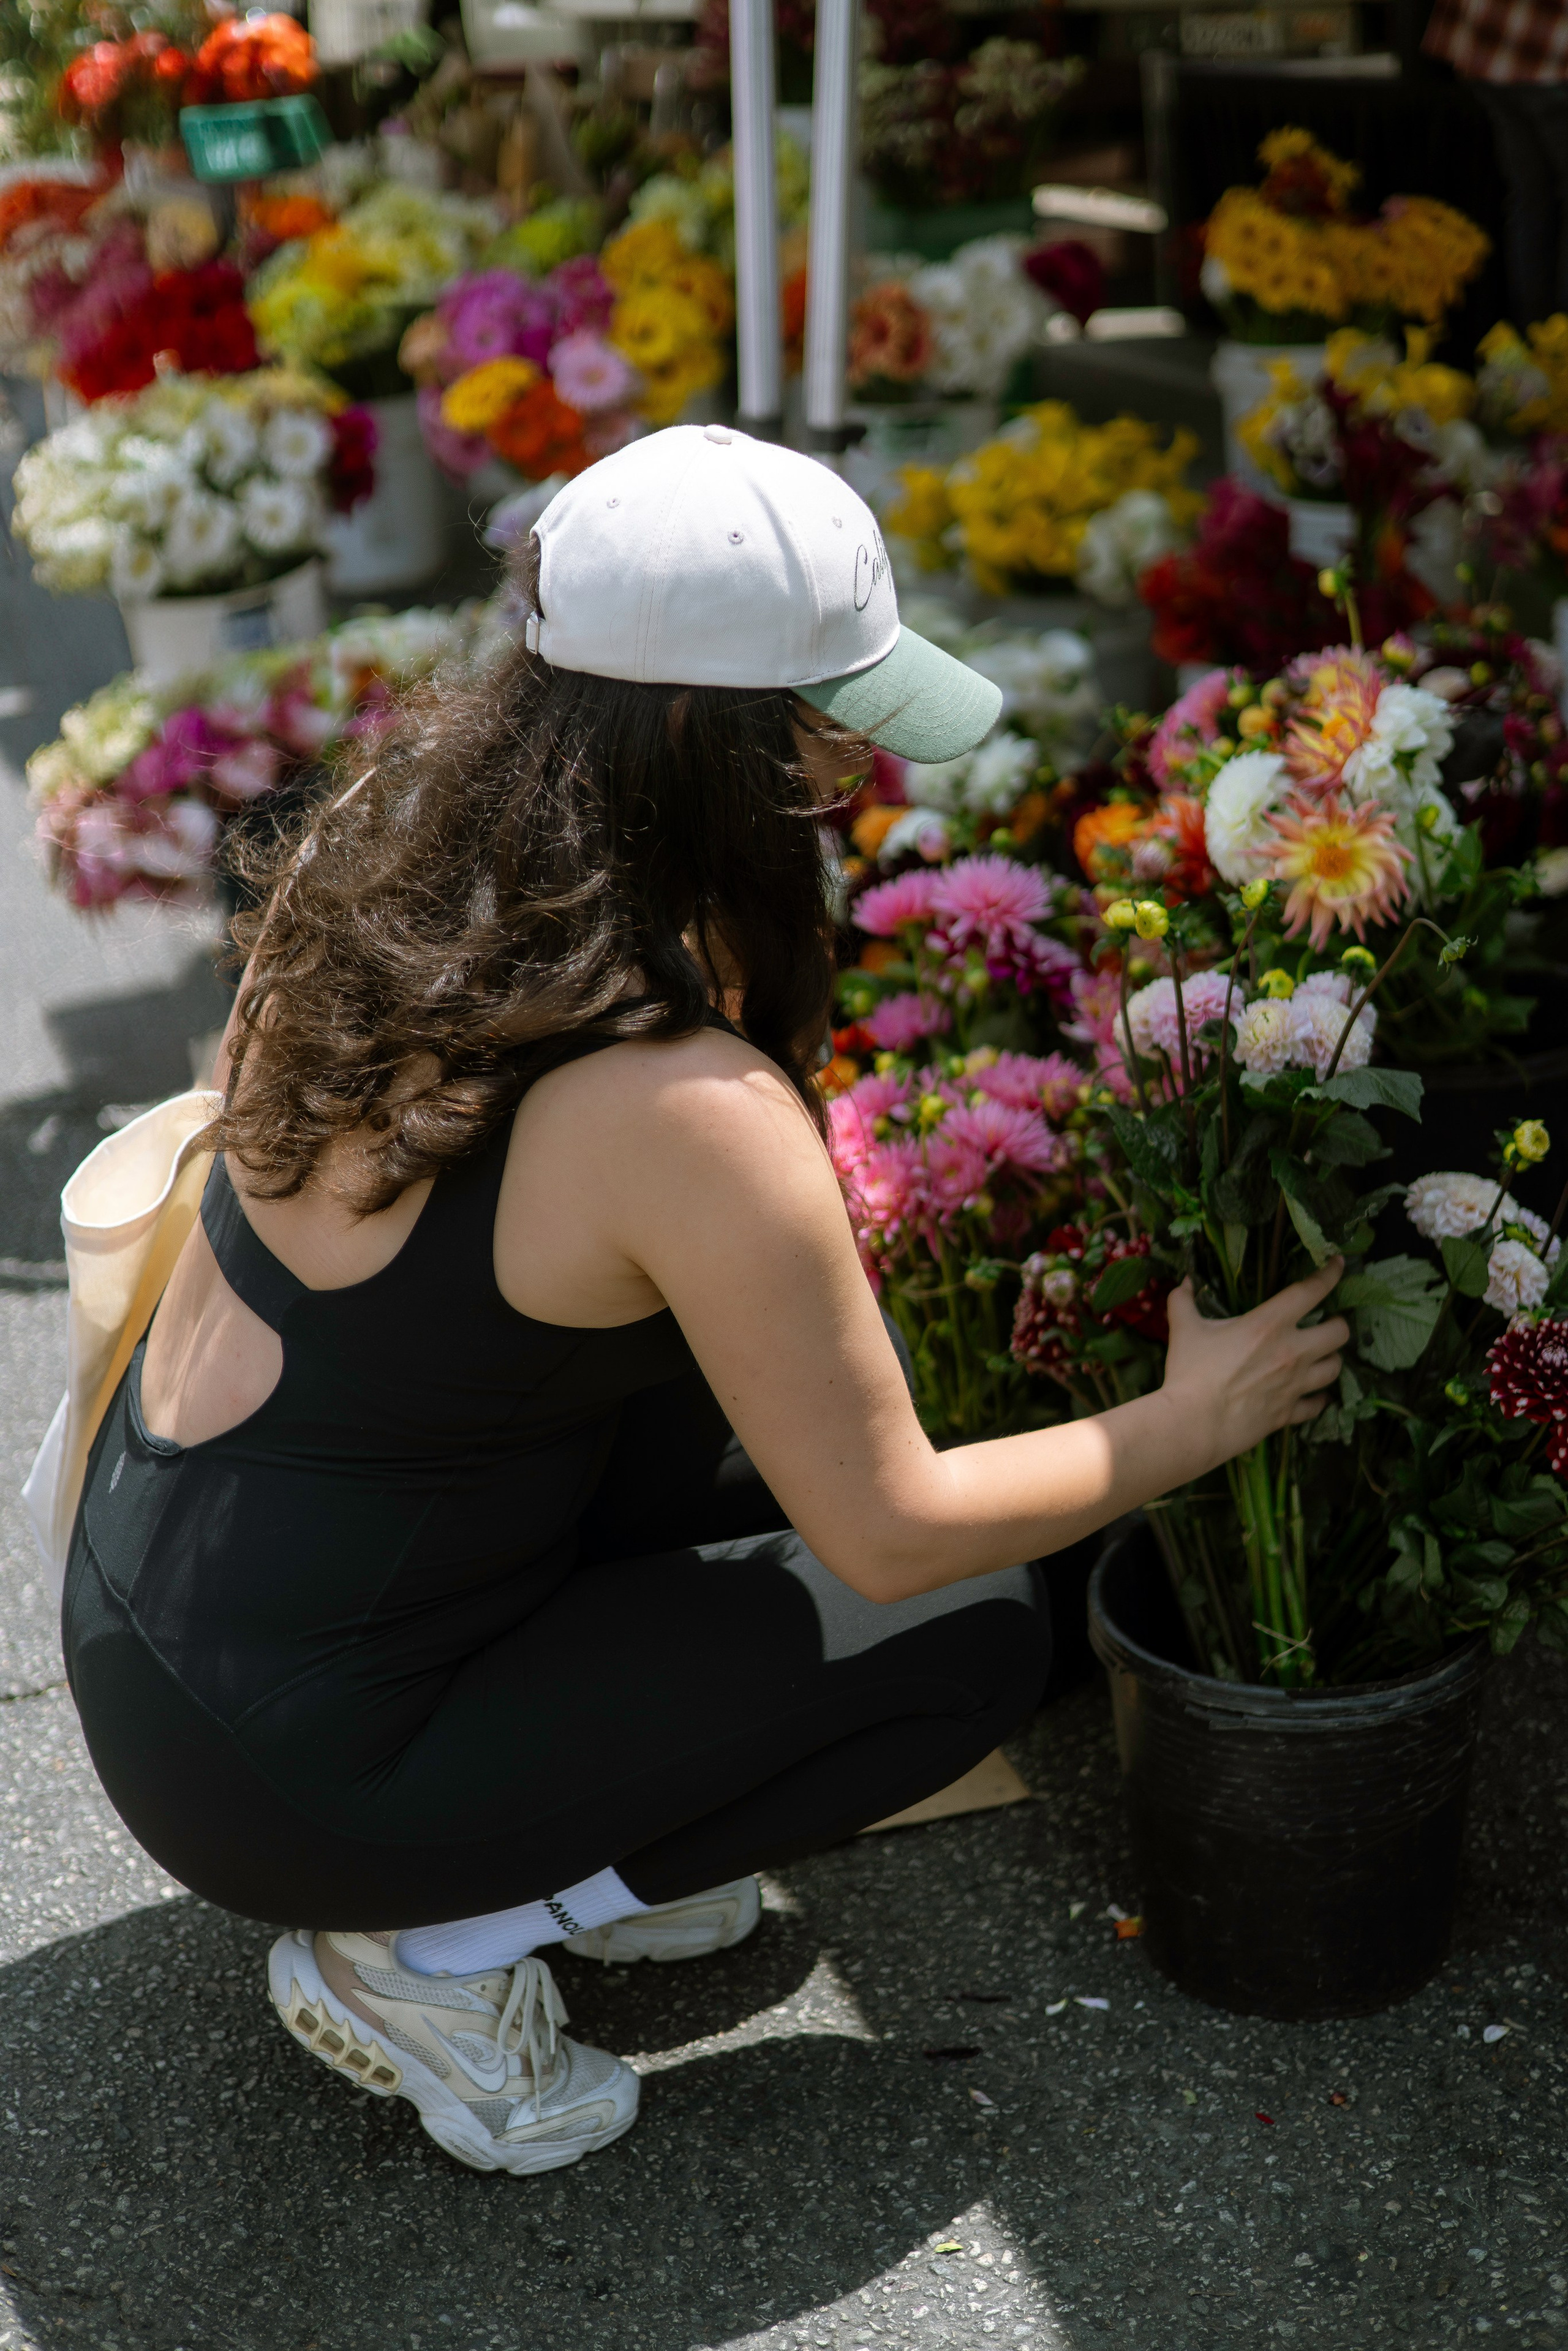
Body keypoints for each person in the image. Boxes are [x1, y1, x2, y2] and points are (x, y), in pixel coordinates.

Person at [61, 426, 1348, 2179]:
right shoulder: (678, 1107)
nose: (849, 777)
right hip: (285, 1768)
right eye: (828, 733)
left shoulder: (389, 848)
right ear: (703, 745)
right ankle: (432, 1941)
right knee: (974, 1623)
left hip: (163, 1596)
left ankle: (520, 1830)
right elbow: (894, 1529)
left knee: (732, 1437)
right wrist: (1195, 1416)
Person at [1424, 0, 1568, 325]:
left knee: (1532, 200)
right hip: (1549, 51)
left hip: (1492, 41)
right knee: (1533, 200)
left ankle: (1539, 341)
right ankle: (1553, 343)